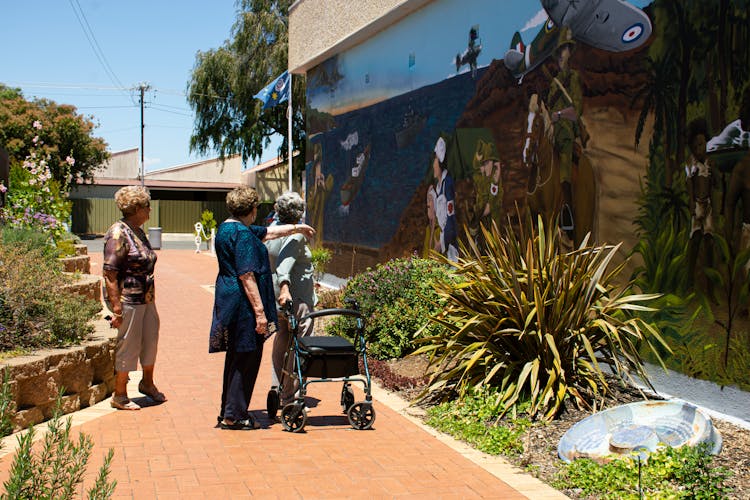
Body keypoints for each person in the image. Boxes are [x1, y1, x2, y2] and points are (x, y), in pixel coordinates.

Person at [209, 186, 314, 430]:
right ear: (252, 209)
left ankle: (229, 409)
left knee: (236, 357)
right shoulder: (243, 235)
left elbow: (270, 232)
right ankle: (235, 415)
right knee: (246, 358)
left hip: (228, 298)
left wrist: (298, 227)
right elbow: (247, 275)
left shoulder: (229, 228)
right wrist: (259, 313)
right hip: (243, 305)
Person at [103, 185, 165, 411]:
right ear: (137, 208)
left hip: (147, 298)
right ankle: (119, 394)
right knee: (128, 345)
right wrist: (117, 309)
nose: (150, 210)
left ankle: (147, 384)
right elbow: (110, 273)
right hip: (129, 300)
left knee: (150, 341)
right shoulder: (118, 233)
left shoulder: (137, 231)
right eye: (147, 206)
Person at [265, 192, 316, 406]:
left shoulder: (273, 234)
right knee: (300, 344)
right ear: (299, 213)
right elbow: (284, 266)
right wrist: (286, 288)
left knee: (282, 340)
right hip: (297, 300)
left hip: (277, 300)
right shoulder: (296, 236)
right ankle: (290, 395)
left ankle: (277, 386)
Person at [547, 26, 583, 236]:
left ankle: (567, 213)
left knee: (564, 169)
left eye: (565, 50)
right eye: (560, 51)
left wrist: (558, 115)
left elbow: (576, 110)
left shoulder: (574, 79)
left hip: (567, 133)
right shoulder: (554, 84)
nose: (562, 55)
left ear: (569, 52)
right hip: (553, 134)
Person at [684, 118, 717, 294]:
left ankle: (710, 286)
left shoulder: (709, 163)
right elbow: (690, 185)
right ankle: (689, 282)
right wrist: (691, 203)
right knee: (695, 240)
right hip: (697, 204)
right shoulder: (691, 164)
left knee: (709, 242)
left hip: (708, 206)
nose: (700, 149)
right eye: (696, 146)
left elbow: (716, 184)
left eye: (702, 144)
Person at [432, 136, 458, 261]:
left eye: (435, 161)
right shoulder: (438, 187)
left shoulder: (447, 184)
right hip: (443, 243)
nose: (433, 165)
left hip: (450, 247)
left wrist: (441, 243)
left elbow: (451, 220)